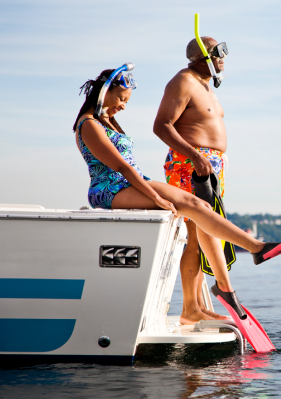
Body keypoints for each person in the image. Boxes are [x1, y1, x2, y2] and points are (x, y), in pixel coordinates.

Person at [74, 68, 264, 324]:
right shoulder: (89, 124)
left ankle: (209, 297)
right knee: (190, 205)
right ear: (104, 91)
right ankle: (254, 248)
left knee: (199, 206)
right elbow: (121, 167)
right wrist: (158, 198)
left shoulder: (107, 121)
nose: (123, 106)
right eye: (121, 99)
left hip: (131, 181)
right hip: (109, 188)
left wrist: (151, 190)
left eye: (126, 101)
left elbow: (129, 169)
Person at [152, 36, 233, 323]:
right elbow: (161, 126)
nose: (224, 56)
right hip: (191, 163)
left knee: (203, 235)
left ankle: (197, 306)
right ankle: (190, 309)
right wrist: (195, 156)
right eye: (218, 52)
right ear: (202, 56)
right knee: (197, 236)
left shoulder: (206, 86)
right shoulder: (183, 81)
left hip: (210, 164)